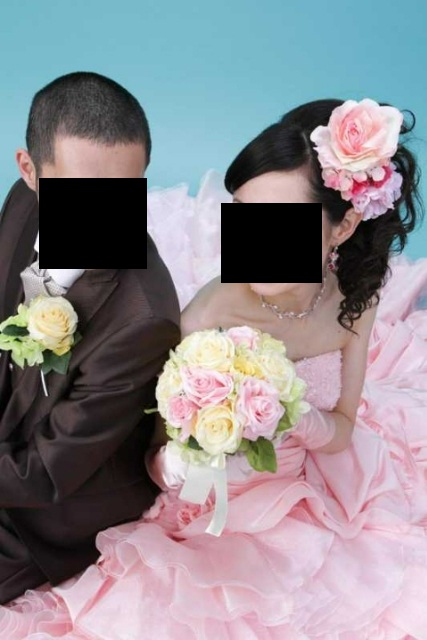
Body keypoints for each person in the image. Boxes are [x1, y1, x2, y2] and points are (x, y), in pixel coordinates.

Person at [2, 98, 427, 639]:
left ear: (342, 228)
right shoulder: (208, 315)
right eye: (244, 214)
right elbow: (146, 457)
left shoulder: (355, 303)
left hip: (314, 487)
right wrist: (184, 459)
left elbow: (343, 424)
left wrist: (301, 420)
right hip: (216, 508)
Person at [0, 71, 180, 604]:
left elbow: (43, 475)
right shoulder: (23, 204)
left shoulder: (143, 320)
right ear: (30, 172)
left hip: (46, 510)